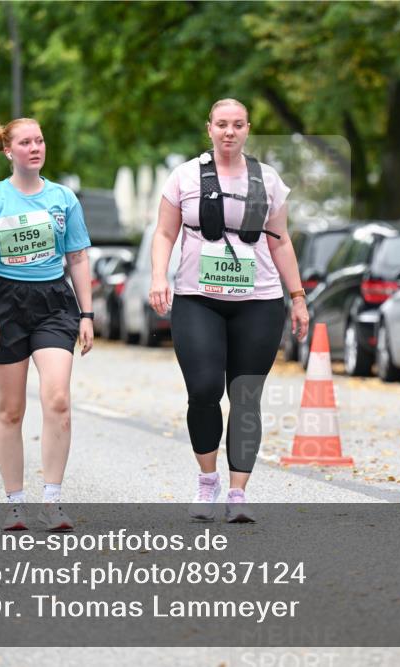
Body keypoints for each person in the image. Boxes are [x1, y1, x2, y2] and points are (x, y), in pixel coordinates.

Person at [150, 98, 309, 523]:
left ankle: (238, 493)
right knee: (203, 390)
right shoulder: (184, 177)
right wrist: (158, 277)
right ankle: (207, 483)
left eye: (238, 125)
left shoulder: (268, 180)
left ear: (248, 129)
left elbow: (280, 241)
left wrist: (297, 297)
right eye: (222, 124)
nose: (229, 132)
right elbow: (164, 233)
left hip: (258, 301)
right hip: (197, 299)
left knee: (245, 396)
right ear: (209, 128)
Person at [0, 117, 94, 531]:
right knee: (10, 410)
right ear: (9, 151)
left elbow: (77, 257)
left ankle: (53, 501)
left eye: (40, 140)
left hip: (54, 302)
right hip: (5, 304)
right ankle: (15, 503)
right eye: (26, 142)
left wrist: (88, 313)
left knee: (57, 399)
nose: (36, 147)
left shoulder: (64, 198)